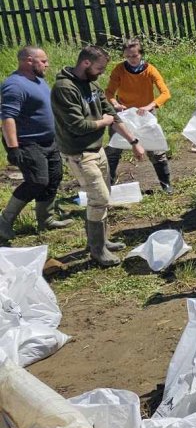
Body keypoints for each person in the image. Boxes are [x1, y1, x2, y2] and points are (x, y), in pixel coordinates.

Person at [51, 46, 146, 266]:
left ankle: (102, 240)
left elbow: (112, 114)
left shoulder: (91, 84)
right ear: (85, 63)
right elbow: (77, 125)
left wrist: (134, 142)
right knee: (99, 198)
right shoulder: (64, 88)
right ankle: (97, 250)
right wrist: (102, 123)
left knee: (105, 195)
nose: (102, 72)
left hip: (97, 148)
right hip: (79, 153)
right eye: (99, 68)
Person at [0, 47, 73, 242]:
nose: (47, 64)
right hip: (28, 142)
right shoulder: (14, 85)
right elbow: (8, 118)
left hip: (49, 141)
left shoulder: (38, 80)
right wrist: (13, 148)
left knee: (54, 177)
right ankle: (4, 222)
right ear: (29, 61)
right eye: (44, 61)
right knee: (37, 181)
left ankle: (46, 219)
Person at [104, 40, 172, 191]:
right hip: (123, 114)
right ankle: (108, 185)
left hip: (145, 113)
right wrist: (115, 104)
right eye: (127, 56)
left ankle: (166, 185)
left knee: (155, 151)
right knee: (114, 150)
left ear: (141, 54)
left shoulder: (150, 70)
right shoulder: (119, 70)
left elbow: (165, 93)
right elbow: (108, 92)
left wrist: (150, 106)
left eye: (134, 56)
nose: (131, 59)